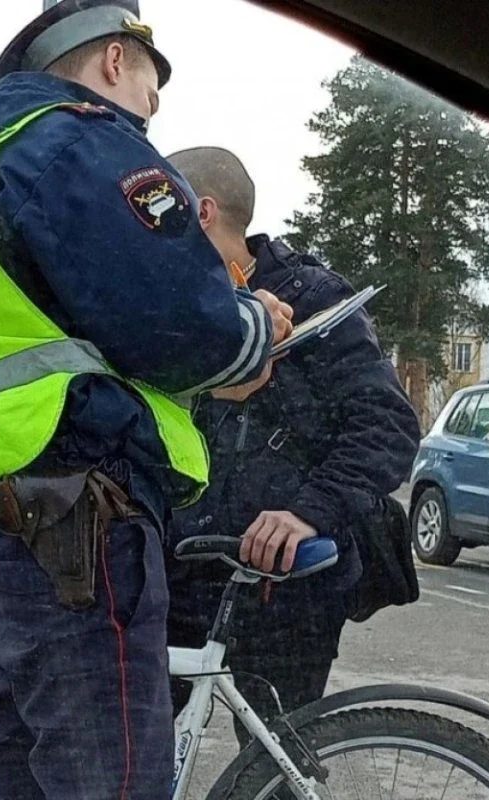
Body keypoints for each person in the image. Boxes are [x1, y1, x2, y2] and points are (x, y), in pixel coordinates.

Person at [0, 5, 293, 798]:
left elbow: (49, 343)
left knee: (25, 775)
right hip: (87, 514)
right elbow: (178, 322)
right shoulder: (78, 141)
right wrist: (253, 330)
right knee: (112, 779)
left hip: (19, 519)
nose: (152, 108)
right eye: (150, 86)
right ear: (114, 60)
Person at [164, 147, 421, 744]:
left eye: (159, 212)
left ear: (201, 212)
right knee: (135, 754)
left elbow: (387, 424)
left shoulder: (314, 298)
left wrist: (309, 511)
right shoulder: (169, 306)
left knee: (274, 762)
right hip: (181, 574)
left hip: (286, 591)